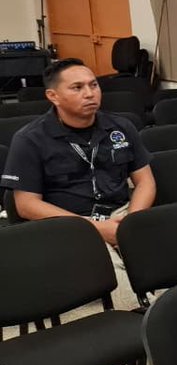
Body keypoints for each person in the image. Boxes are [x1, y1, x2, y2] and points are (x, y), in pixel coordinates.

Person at [1, 58, 156, 254]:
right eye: (77, 88)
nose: (90, 94)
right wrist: (95, 228)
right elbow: (26, 205)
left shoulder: (121, 126)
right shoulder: (29, 139)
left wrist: (129, 224)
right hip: (69, 223)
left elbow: (145, 182)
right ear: (53, 96)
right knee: (114, 280)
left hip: (123, 214)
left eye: (94, 85)